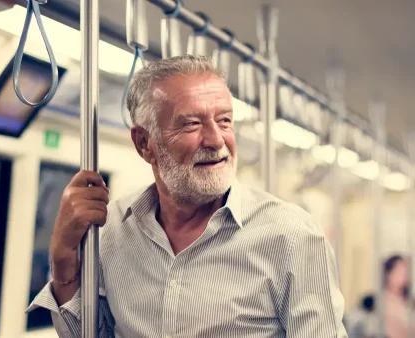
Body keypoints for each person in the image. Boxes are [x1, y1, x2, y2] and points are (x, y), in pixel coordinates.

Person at [27, 55, 347, 337]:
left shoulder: (292, 236)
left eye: (224, 120)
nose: (215, 139)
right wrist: (63, 254)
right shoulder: (111, 232)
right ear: (144, 143)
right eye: (192, 124)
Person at [383, 255, 410, 338]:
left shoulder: (406, 300)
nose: (403, 278)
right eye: (399, 273)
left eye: (405, 273)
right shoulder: (383, 301)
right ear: (389, 274)